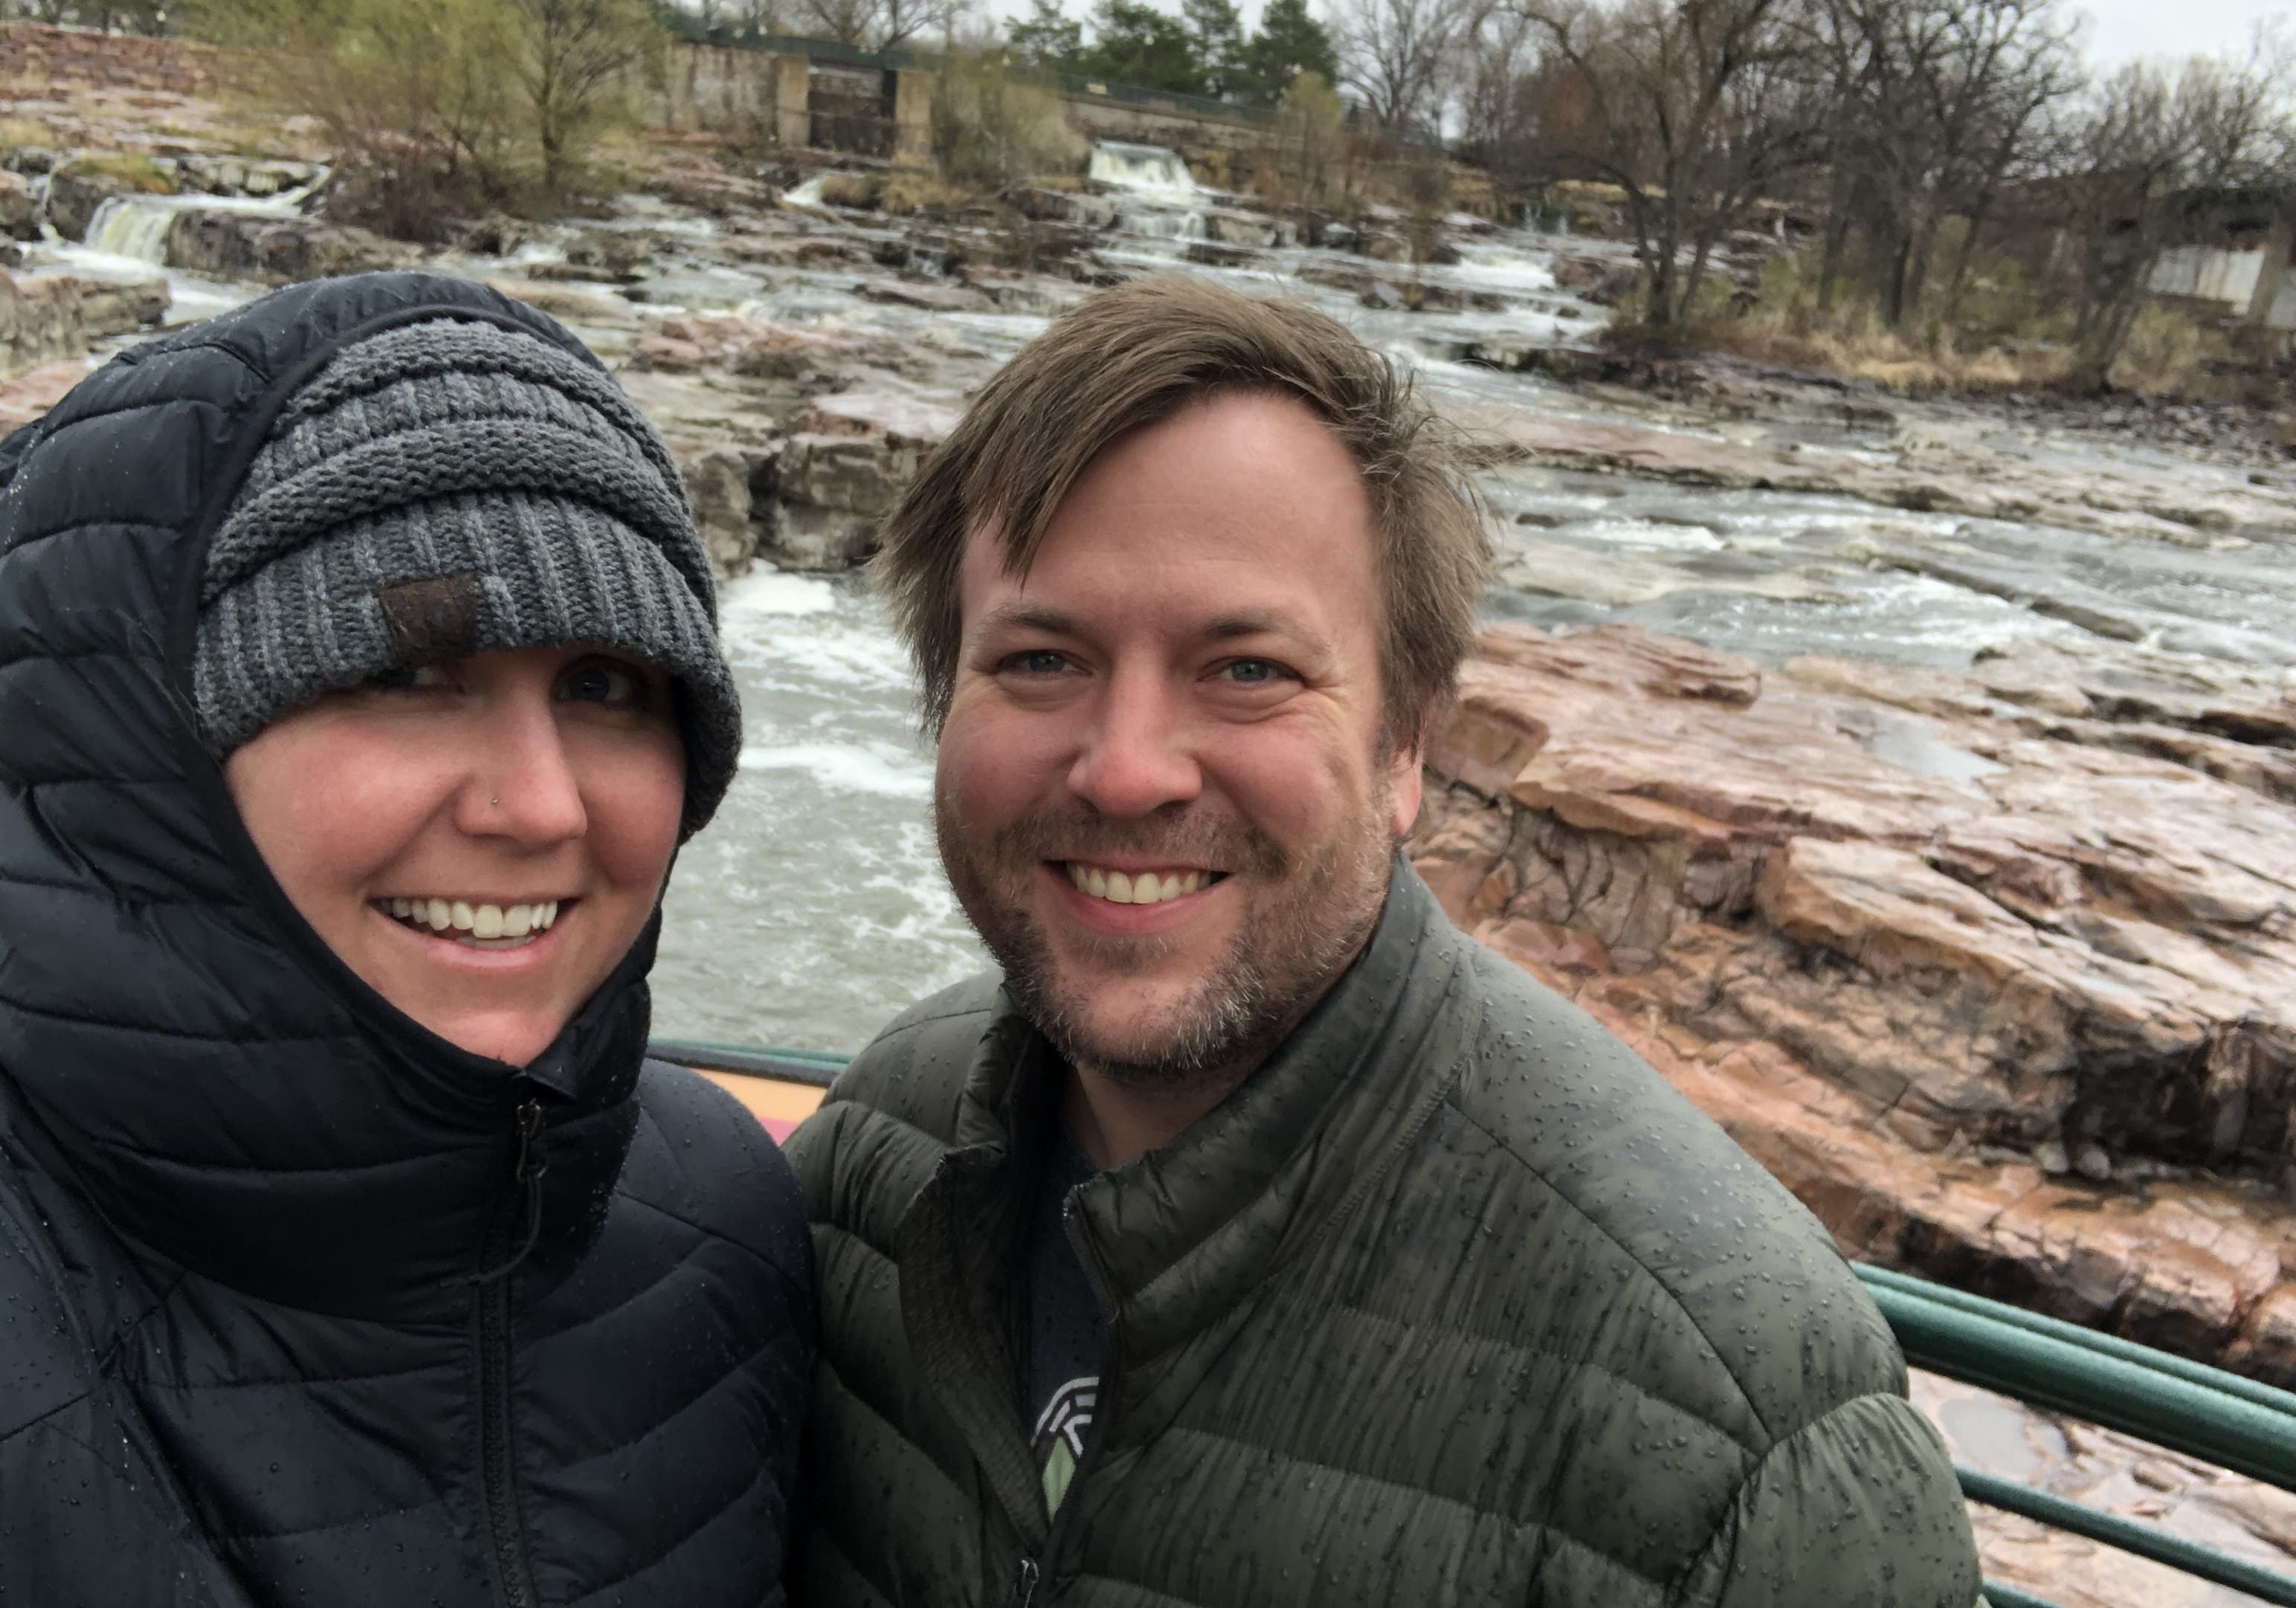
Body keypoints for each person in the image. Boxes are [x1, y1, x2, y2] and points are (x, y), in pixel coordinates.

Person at [783, 277, 1982, 1607]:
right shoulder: (866, 1163)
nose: (1126, 773)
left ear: (1406, 743)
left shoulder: (1740, 1440)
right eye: (1040, 661)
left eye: (1249, 671)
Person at [0, 272, 813, 1604]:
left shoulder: (721, 1216)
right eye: (409, 674)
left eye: (607, 686)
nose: (540, 804)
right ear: (156, 753)